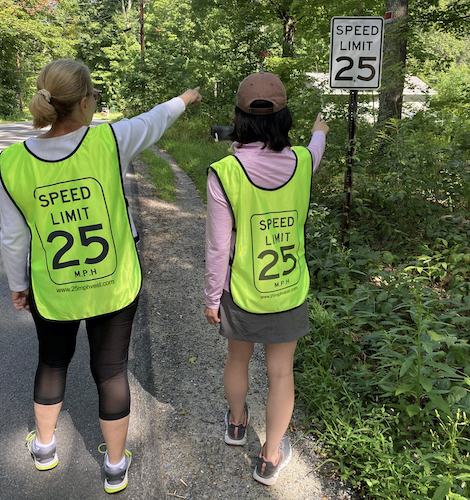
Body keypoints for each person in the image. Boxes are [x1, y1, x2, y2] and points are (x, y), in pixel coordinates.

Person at [0, 59, 201, 494]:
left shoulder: (11, 162)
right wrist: (186, 98)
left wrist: (19, 286)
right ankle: (114, 466)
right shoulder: (108, 140)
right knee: (111, 372)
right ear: (87, 101)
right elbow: (156, 119)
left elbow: (13, 237)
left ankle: (45, 447)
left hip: (53, 289)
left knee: (52, 362)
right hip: (114, 284)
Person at [204, 71, 329, 486]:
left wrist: (210, 297)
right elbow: (316, 148)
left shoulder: (224, 171)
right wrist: (320, 129)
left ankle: (237, 426)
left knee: (237, 358)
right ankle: (271, 457)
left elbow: (219, 247)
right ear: (285, 117)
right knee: (281, 373)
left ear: (239, 118)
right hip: (289, 290)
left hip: (241, 289)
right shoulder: (304, 162)